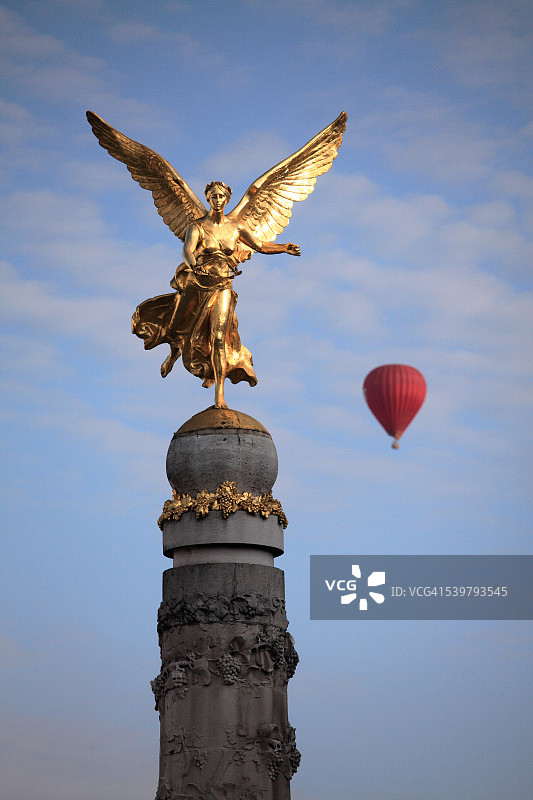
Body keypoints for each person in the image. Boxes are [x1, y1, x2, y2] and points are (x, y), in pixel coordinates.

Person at [132, 181, 300, 408]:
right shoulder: (198, 226)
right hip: (198, 283)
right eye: (213, 196)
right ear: (208, 198)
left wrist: (283, 248)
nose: (217, 200)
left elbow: (259, 245)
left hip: (222, 285)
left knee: (219, 336)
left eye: (221, 196)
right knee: (179, 325)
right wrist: (193, 266)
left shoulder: (236, 226)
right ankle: (173, 353)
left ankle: (219, 395)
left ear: (227, 199)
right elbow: (187, 250)